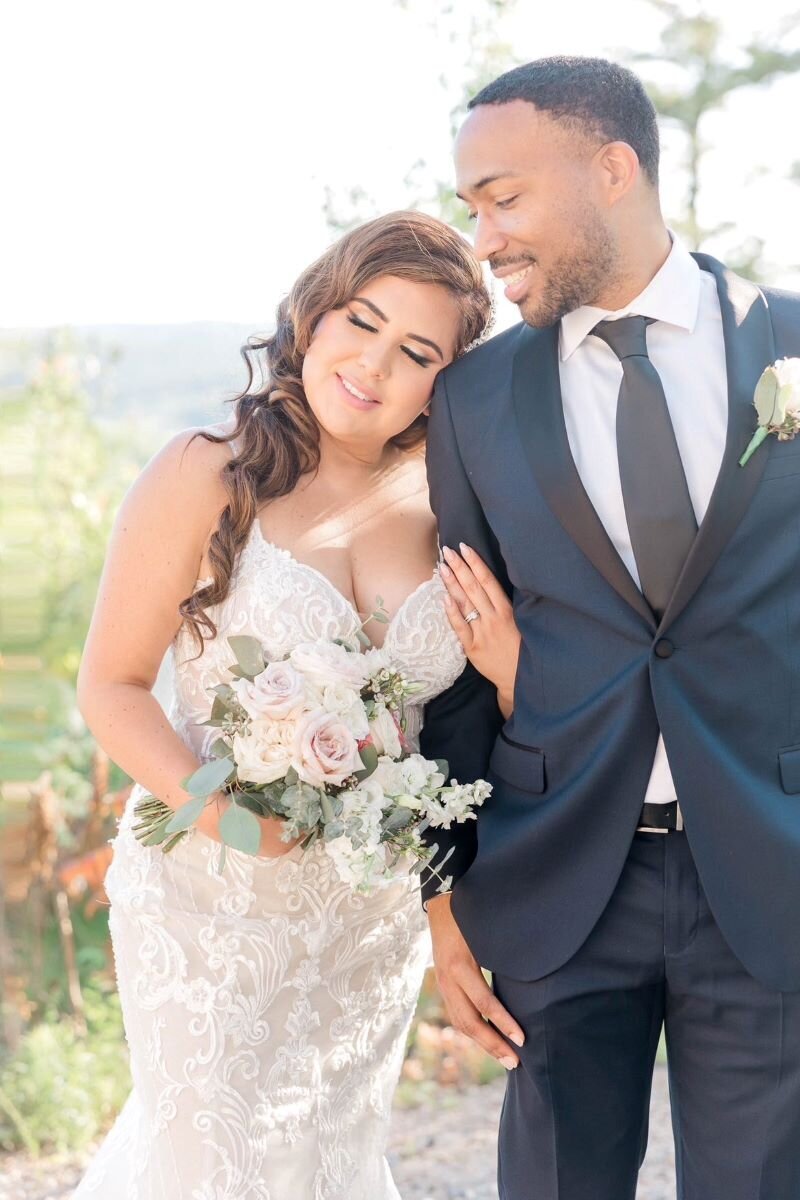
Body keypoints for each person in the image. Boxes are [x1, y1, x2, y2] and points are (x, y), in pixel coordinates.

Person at [423, 56, 800, 1200]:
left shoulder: (786, 341)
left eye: (504, 198)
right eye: (471, 207)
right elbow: (444, 670)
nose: (482, 240)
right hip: (556, 881)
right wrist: (440, 909)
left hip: (770, 873)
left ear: (612, 168)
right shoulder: (473, 397)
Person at [73, 211, 491, 1200]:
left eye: (415, 351)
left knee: (326, 1164)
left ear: (445, 380)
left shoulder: (455, 505)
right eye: (361, 320)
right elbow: (111, 689)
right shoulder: (206, 472)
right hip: (203, 902)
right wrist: (228, 822)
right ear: (313, 313)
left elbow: (445, 736)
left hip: (362, 920)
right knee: (204, 1167)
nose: (372, 364)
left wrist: (442, 915)